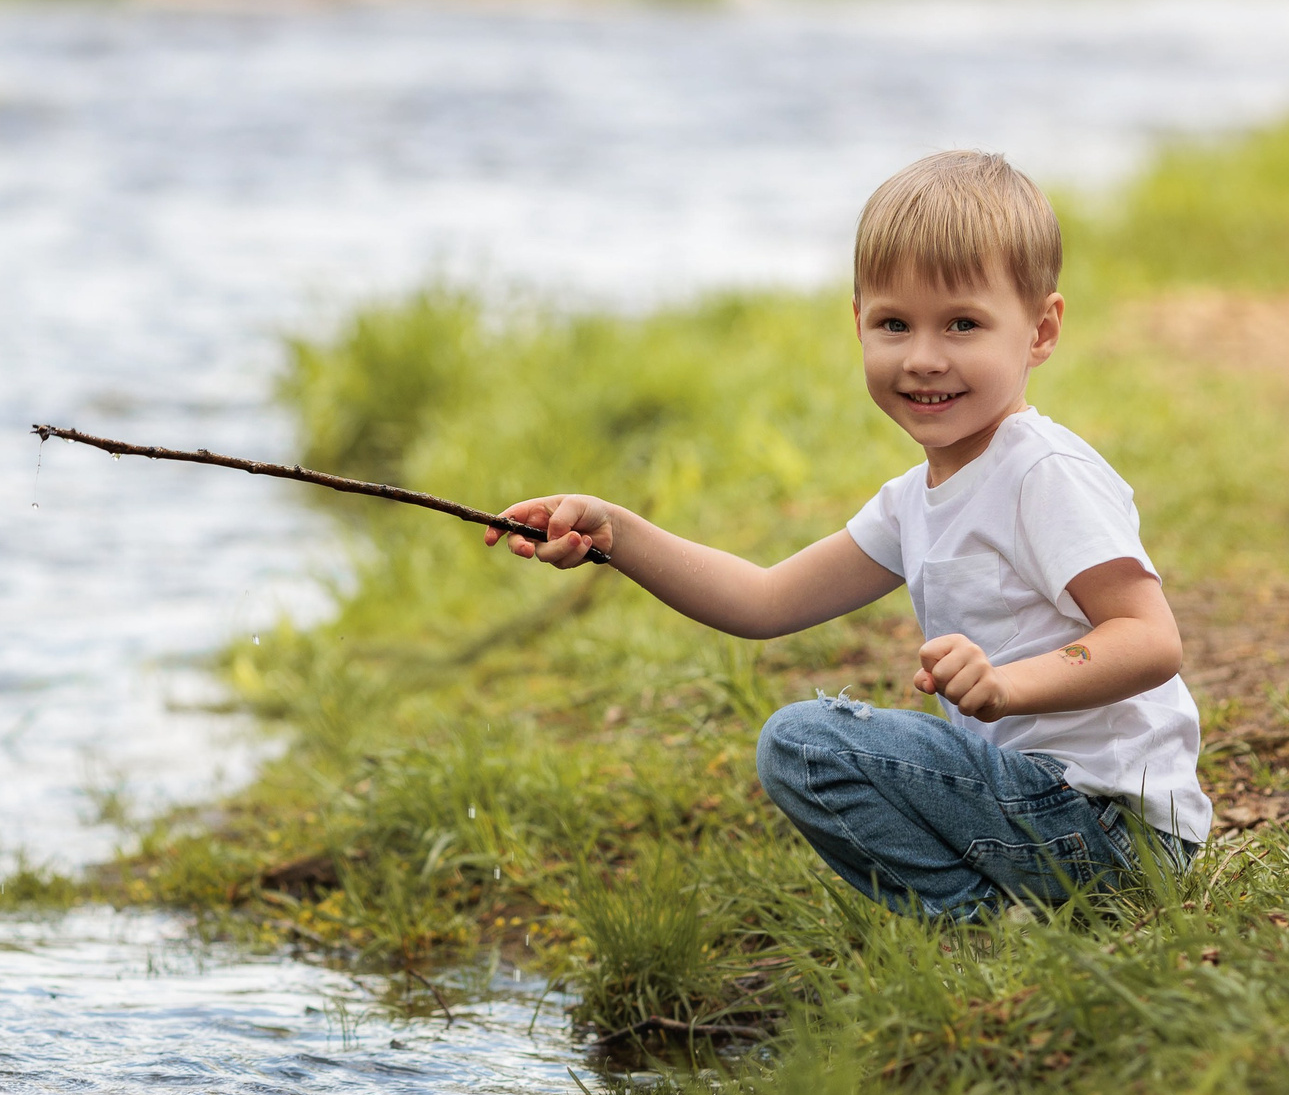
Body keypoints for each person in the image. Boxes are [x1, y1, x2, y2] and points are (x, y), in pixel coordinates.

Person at [485, 150, 1207, 919]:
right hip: (1036, 808)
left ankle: (983, 925)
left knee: (810, 742)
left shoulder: (1041, 472)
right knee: (805, 749)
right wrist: (615, 531)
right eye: (895, 323)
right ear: (858, 322)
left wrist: (1009, 685)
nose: (924, 357)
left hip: (1110, 821)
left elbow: (1149, 637)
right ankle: (1005, 924)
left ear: (1040, 330)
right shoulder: (912, 502)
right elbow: (763, 600)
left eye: (963, 323)